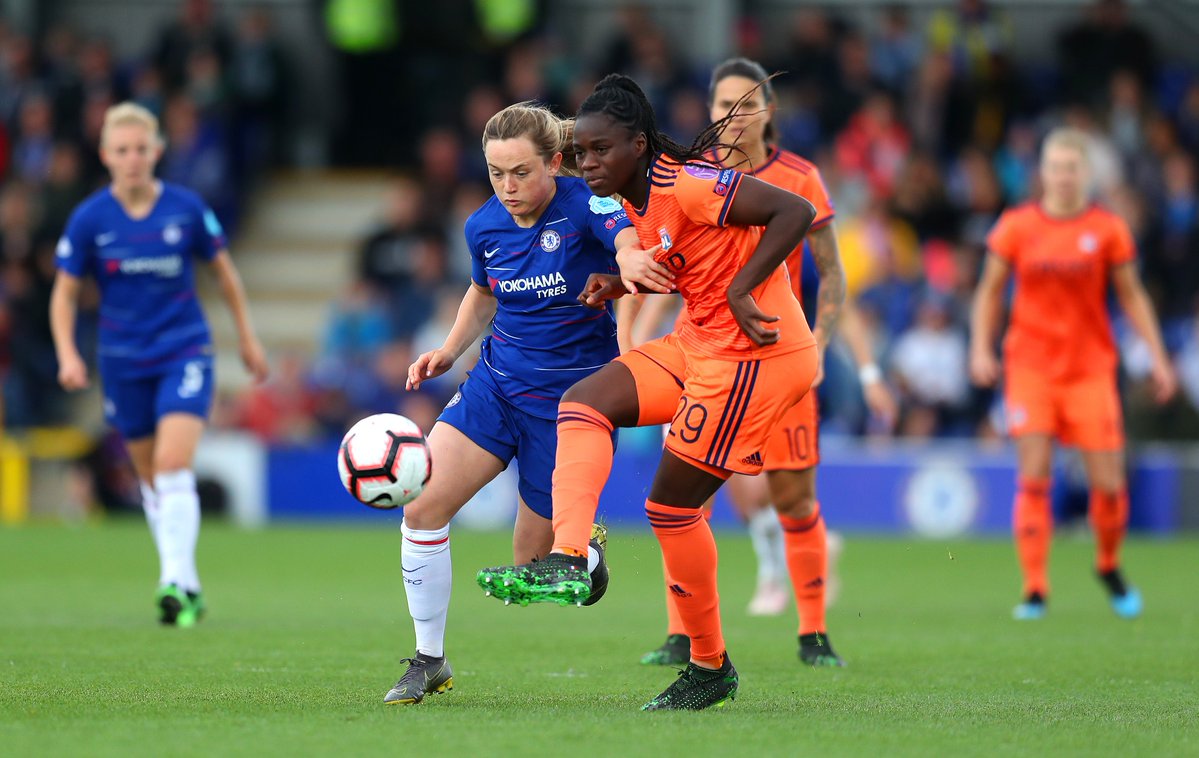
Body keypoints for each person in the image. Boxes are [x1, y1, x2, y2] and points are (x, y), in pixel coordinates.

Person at [478, 74, 821, 711]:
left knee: (670, 510)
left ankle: (709, 666)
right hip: (700, 343)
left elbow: (792, 212)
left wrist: (745, 289)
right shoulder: (633, 199)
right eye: (581, 152)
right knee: (582, 402)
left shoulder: (686, 183)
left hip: (754, 357)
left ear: (639, 145)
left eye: (601, 150)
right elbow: (696, 261)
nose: (589, 163)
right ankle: (569, 556)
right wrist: (620, 283)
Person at [630, 58, 897, 669]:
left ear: (766, 111)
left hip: (778, 350)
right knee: (688, 497)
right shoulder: (691, 178)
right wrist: (641, 336)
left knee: (794, 496)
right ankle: (681, 633)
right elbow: (663, 271)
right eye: (722, 103)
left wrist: (823, 346)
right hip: (705, 355)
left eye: (744, 104)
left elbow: (831, 273)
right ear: (708, 108)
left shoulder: (800, 178)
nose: (732, 114)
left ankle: (813, 633)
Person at [386, 102, 649, 706]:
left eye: (521, 172)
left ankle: (585, 551)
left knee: (532, 567)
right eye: (496, 173)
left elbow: (627, 238)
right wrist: (450, 350)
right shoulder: (483, 226)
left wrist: (632, 260)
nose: (508, 187)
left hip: (570, 405)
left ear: (555, 163)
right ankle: (429, 659)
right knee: (422, 506)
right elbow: (483, 293)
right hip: (495, 385)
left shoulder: (587, 205)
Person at [49, 102, 268, 628]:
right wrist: (68, 354)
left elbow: (224, 273)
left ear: (157, 152)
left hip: (183, 350)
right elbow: (64, 293)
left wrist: (247, 338)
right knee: (150, 478)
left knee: (172, 464)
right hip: (122, 361)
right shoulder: (90, 218)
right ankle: (185, 583)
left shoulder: (186, 208)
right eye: (121, 150)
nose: (132, 159)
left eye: (141, 149)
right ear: (105, 155)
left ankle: (173, 580)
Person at [969, 126, 1177, 621]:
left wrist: (1159, 357)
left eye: (1072, 168)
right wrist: (980, 348)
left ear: (1087, 173)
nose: (1063, 176)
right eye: (1055, 167)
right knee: (1034, 477)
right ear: (1042, 173)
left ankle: (1107, 564)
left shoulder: (1108, 229)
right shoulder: (1016, 226)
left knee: (1108, 485)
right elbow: (988, 291)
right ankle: (1035, 588)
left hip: (1090, 370)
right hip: (1032, 368)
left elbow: (1131, 296)